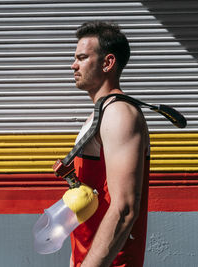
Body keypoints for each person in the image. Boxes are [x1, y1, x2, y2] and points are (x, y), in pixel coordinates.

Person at [69, 21, 150, 267]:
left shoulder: (119, 114)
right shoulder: (100, 114)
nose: (73, 65)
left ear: (107, 63)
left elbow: (124, 209)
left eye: (82, 57)